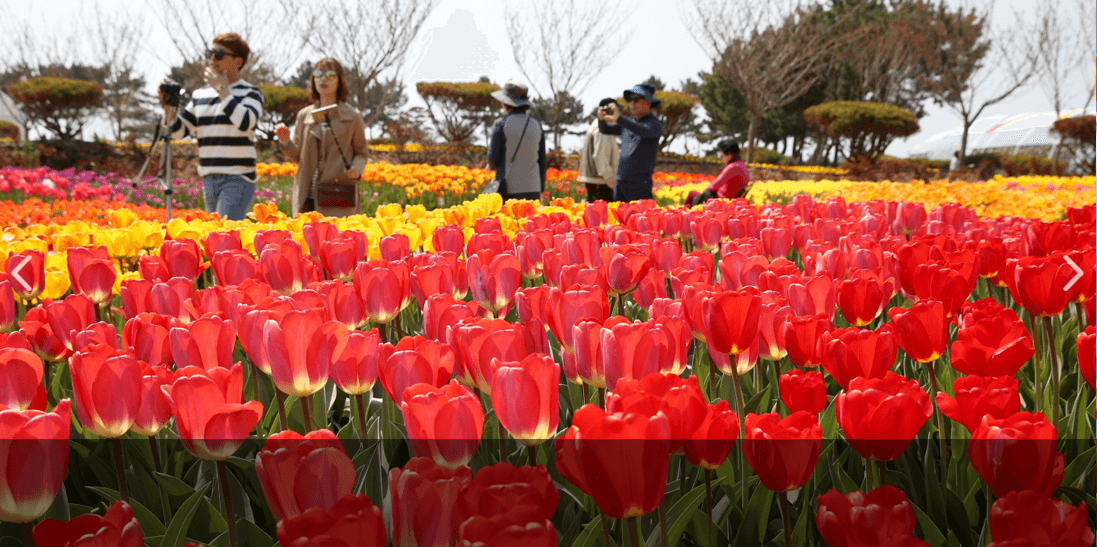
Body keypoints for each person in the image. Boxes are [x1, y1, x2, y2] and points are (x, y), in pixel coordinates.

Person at [161, 33, 264, 221]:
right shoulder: (201, 95)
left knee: (224, 236)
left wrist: (222, 91)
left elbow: (245, 122)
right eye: (210, 53)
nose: (212, 59)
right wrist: (168, 108)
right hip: (208, 179)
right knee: (217, 239)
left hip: (238, 178)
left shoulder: (251, 93)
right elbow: (179, 131)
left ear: (238, 61)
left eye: (219, 54)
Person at [274, 58, 368, 216]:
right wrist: (285, 141)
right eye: (318, 74)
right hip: (306, 194)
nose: (323, 79)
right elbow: (299, 157)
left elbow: (362, 152)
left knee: (335, 239)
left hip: (337, 193)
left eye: (331, 74)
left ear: (340, 81)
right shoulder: (304, 116)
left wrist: (356, 170)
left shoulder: (352, 116)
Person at [597, 83, 664, 202]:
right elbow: (605, 129)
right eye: (630, 99)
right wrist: (601, 119)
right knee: (619, 218)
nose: (632, 103)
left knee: (638, 219)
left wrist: (619, 118)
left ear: (648, 102)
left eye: (636, 99)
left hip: (639, 185)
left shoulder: (655, 124)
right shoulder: (628, 123)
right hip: (621, 182)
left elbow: (642, 130)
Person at [487, 81, 546, 202]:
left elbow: (492, 158)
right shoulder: (536, 125)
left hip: (508, 188)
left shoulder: (501, 124)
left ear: (505, 103)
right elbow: (542, 161)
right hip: (533, 188)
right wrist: (541, 188)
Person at [577, 98, 620, 203]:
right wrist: (611, 180)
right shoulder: (601, 130)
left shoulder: (597, 126)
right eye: (617, 111)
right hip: (601, 182)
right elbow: (600, 156)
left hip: (598, 181)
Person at [687, 139, 751, 206]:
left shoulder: (733, 167)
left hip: (720, 200)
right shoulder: (742, 166)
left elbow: (714, 185)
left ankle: (685, 215)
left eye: (722, 155)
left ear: (729, 154)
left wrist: (705, 190)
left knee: (692, 194)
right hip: (730, 200)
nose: (722, 159)